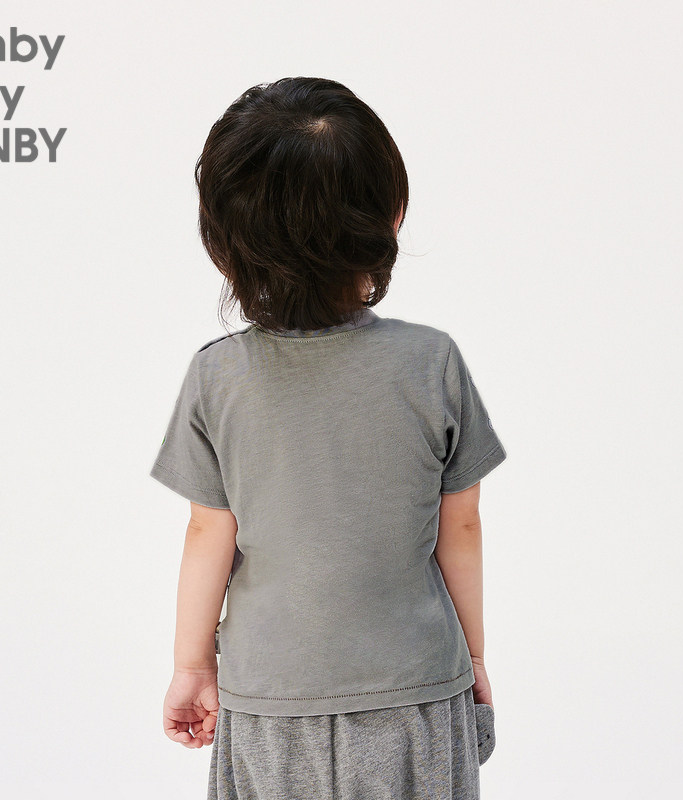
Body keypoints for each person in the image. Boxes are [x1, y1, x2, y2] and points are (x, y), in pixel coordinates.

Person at [149, 77, 508, 800]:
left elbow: (208, 533)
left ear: (223, 243)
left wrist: (192, 665)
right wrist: (472, 657)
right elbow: (461, 527)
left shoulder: (217, 377)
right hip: (415, 693)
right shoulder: (431, 362)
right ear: (392, 217)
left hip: (269, 701)